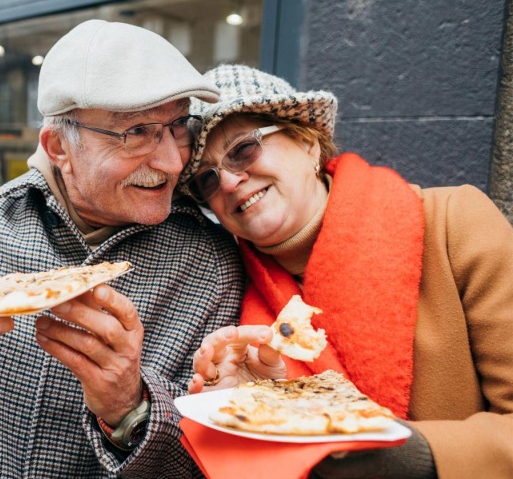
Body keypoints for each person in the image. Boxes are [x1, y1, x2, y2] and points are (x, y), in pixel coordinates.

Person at [0, 21, 278, 477]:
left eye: (178, 125)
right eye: (136, 132)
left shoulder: (213, 264)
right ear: (58, 146)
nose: (173, 160)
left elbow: (208, 455)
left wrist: (129, 407)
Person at [178, 64, 513, 478]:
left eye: (243, 149)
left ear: (307, 142)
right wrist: (238, 415)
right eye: (206, 180)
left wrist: (417, 456)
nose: (228, 182)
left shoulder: (455, 224)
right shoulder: (227, 290)